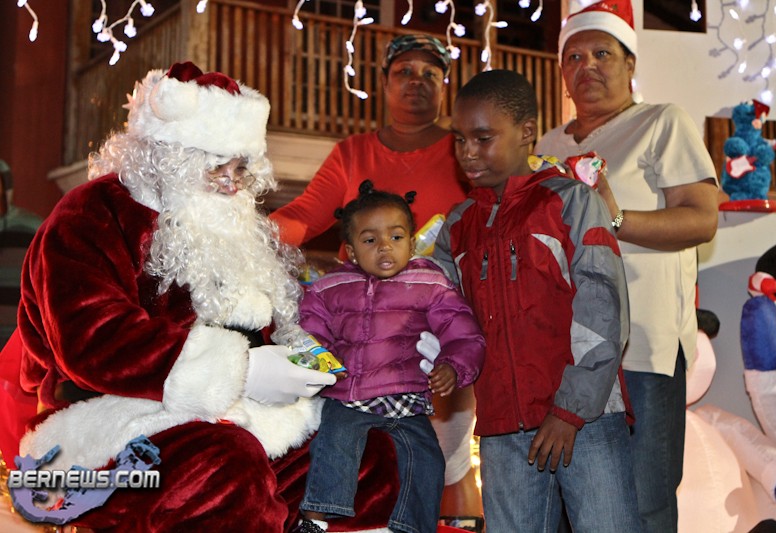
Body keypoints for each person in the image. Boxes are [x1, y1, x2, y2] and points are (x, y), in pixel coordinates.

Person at [1, 61, 400, 531]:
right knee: (223, 473)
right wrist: (243, 372)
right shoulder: (92, 214)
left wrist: (320, 356)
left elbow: (273, 326)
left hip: (240, 417)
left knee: (364, 455)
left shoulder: (230, 222)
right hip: (109, 425)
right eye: (216, 166)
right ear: (169, 156)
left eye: (241, 168)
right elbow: (92, 341)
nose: (232, 183)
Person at [270, 33, 484, 528]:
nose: (416, 81)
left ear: (445, 86)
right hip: (358, 343)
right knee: (349, 456)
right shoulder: (352, 152)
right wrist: (247, 235)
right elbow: (304, 215)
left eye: (430, 73)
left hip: (432, 329)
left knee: (447, 458)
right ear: (384, 82)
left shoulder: (463, 152)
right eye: (404, 71)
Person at [534, 1, 719, 531]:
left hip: (641, 346)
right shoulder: (547, 145)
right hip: (564, 352)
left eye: (602, 54)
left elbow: (701, 219)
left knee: (644, 500)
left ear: (630, 63)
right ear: (562, 71)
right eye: (574, 57)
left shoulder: (661, 122)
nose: (587, 66)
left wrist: (613, 219)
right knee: (570, 501)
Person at [433, 68, 641, 533]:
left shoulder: (570, 202)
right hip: (502, 428)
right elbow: (445, 317)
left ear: (527, 132)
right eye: (459, 139)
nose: (467, 152)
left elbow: (603, 309)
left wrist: (570, 410)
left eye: (483, 138)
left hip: (585, 419)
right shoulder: (458, 225)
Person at [294, 180, 485, 533]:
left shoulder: (430, 284)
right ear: (351, 252)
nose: (385, 246)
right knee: (335, 442)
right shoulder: (330, 287)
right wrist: (319, 362)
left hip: (407, 397)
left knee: (427, 460)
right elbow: (309, 330)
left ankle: (413, 527)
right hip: (348, 393)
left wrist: (452, 365)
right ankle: (316, 518)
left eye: (396, 237)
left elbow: (462, 331)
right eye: (370, 240)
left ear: (411, 243)